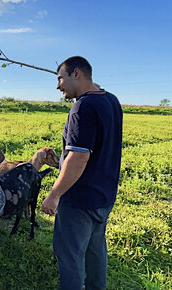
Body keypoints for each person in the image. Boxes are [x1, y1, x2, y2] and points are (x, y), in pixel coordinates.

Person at [42, 56, 122, 290]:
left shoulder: (83, 107)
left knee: (71, 258)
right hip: (103, 197)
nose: (58, 86)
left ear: (76, 74)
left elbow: (78, 157)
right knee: (96, 251)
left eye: (60, 78)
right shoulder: (112, 101)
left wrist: (54, 194)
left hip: (79, 201)